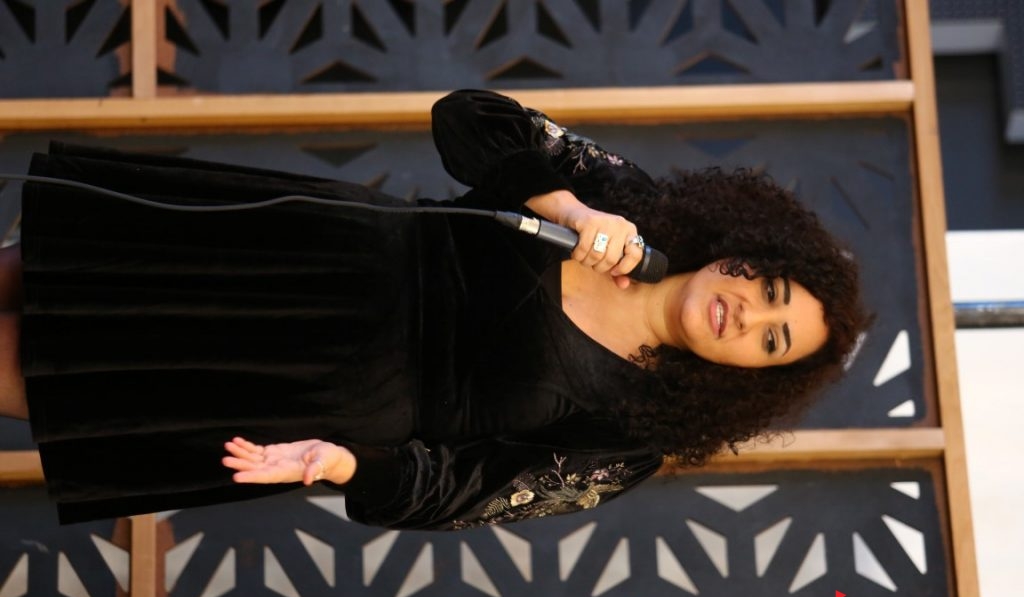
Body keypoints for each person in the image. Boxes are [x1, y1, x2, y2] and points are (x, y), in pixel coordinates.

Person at [7, 89, 868, 529]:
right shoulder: (627, 198)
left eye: (771, 341)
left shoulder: (629, 440)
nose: (747, 316)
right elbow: (467, 118)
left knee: (56, 379)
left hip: (304, 386)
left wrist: (345, 466)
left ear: (749, 378)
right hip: (310, 248)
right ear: (745, 251)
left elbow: (459, 495)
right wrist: (568, 207)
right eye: (769, 291)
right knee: (46, 268)